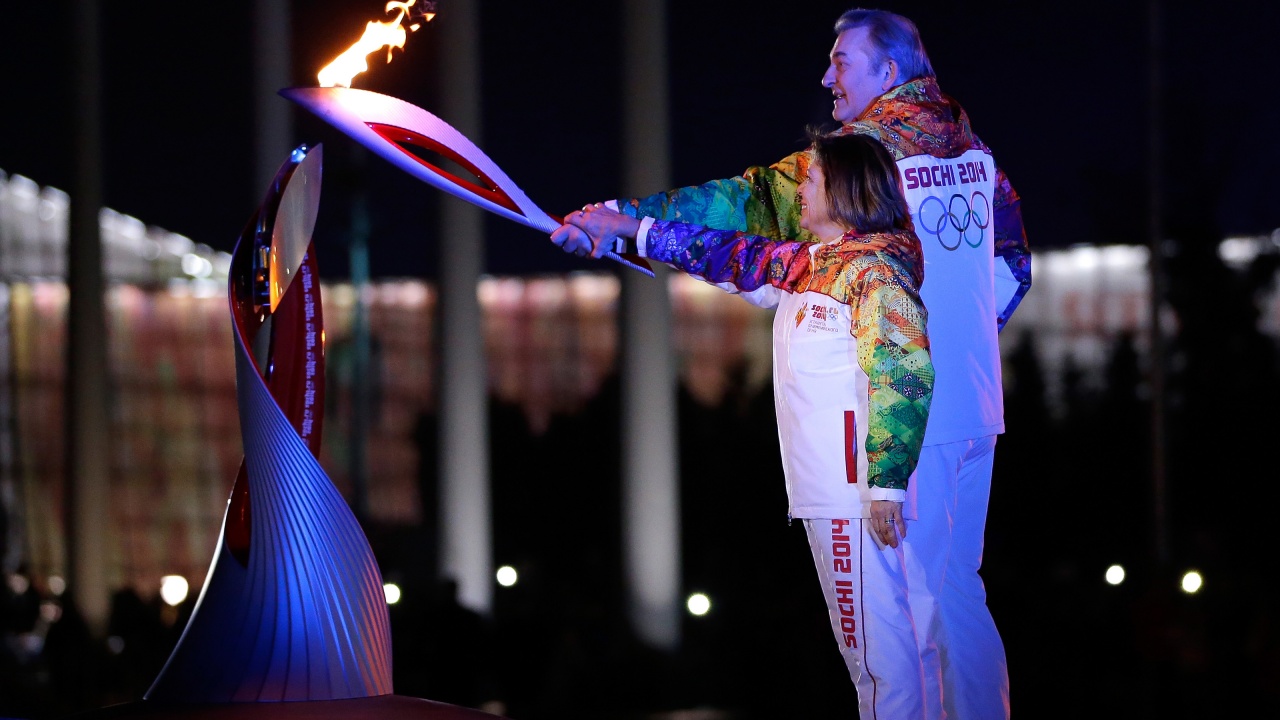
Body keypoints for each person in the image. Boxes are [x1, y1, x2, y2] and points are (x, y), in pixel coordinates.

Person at [552, 8, 1030, 719]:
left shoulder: (857, 159)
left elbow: (742, 210)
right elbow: (1014, 271)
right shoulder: (976, 152)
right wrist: (958, 338)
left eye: (842, 61)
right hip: (971, 406)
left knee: (901, 622)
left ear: (888, 72)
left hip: (896, 413)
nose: (826, 76)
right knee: (956, 593)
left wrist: (621, 218)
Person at [562, 130, 936, 719]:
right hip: (832, 496)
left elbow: (905, 375)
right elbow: (727, 255)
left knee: (881, 657)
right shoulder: (813, 265)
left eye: (811, 179)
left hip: (855, 498)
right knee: (869, 657)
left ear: (844, 191)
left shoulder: (872, 275)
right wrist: (624, 227)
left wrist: (885, 485)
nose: (801, 189)